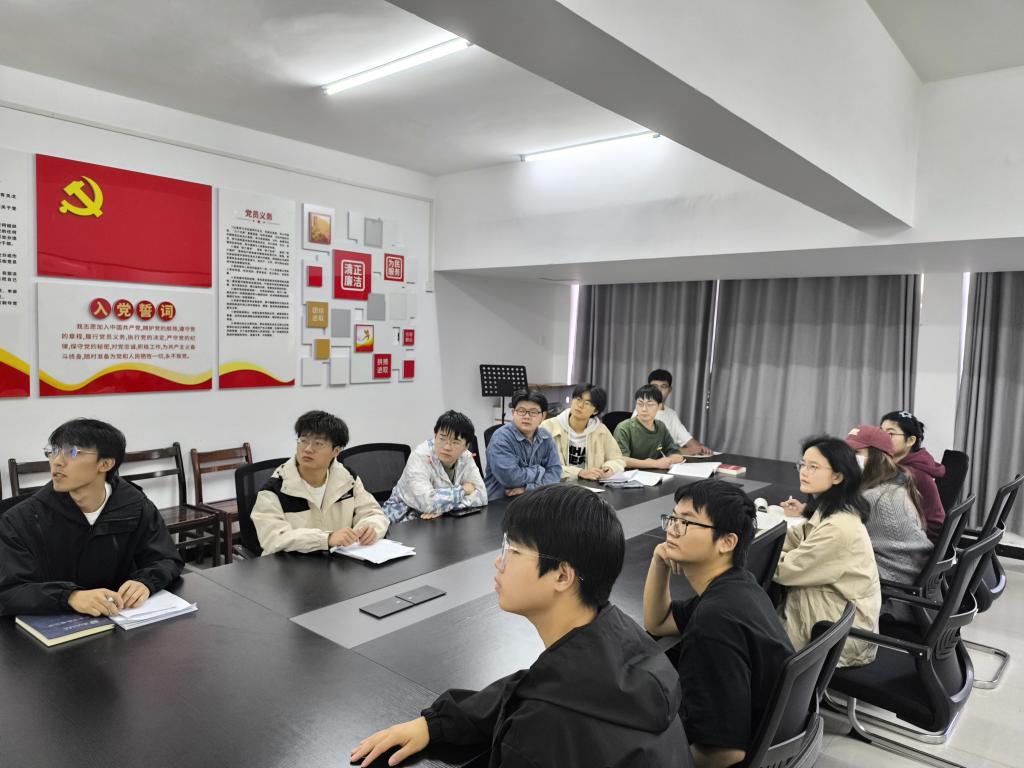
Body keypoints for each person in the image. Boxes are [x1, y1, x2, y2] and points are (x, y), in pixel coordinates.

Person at [351, 484, 691, 768]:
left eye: (512, 550)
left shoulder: (540, 733)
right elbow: (532, 684)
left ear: (562, 575)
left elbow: (540, 699)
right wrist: (437, 723)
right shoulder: (624, 640)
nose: (498, 561)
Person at [643, 480, 793, 768]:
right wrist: (659, 562)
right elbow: (658, 622)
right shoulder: (737, 584)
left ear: (727, 542)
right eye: (672, 518)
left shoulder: (714, 621)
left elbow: (724, 754)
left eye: (686, 522)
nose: (672, 529)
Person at [0, 418, 183, 617]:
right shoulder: (21, 520)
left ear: (105, 463)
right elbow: (9, 590)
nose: (57, 461)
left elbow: (166, 558)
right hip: (57, 622)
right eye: (53, 451)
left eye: (72, 452)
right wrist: (70, 597)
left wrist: (146, 582)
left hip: (121, 619)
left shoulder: (135, 506)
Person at [774, 436, 881, 668]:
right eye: (803, 464)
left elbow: (785, 570)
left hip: (839, 638)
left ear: (837, 477)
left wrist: (756, 551)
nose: (804, 472)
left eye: (813, 467)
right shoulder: (829, 509)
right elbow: (792, 538)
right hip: (831, 617)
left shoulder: (839, 527)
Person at [251, 410, 389, 555]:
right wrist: (326, 539)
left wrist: (370, 528)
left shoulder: (348, 480)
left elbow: (373, 513)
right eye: (303, 441)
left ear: (336, 451)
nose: (308, 449)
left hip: (339, 562)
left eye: (318, 443)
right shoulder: (274, 489)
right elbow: (274, 538)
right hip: (291, 565)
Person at [846, 425, 932, 594]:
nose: (848, 459)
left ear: (877, 457)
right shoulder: (896, 484)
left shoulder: (873, 498)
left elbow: (835, 536)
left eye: (856, 453)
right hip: (910, 577)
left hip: (892, 589)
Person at [382, 410, 487, 523]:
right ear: (435, 435)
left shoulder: (466, 457)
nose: (447, 447)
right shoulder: (419, 456)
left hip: (440, 520)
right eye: (442, 438)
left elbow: (482, 496)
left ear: (466, 446)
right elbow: (428, 503)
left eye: (455, 442)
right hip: (401, 522)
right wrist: (463, 490)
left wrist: (442, 508)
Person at [879, 410, 946, 542]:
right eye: (881, 432)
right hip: (909, 532)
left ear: (910, 440)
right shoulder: (898, 465)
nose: (881, 438)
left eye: (890, 434)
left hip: (920, 540)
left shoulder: (911, 473)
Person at [483, 388, 562, 499]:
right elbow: (511, 478)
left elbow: (555, 474)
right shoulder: (501, 438)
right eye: (521, 411)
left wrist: (527, 489)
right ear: (513, 413)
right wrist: (540, 470)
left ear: (543, 416)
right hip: (502, 500)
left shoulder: (546, 437)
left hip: (535, 498)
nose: (526, 416)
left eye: (533, 412)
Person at [541, 383, 625, 481]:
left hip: (591, 484)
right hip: (558, 484)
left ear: (595, 411)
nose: (580, 405)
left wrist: (609, 468)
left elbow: (617, 459)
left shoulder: (601, 431)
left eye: (587, 403)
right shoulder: (548, 427)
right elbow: (543, 465)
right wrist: (579, 473)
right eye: (578, 399)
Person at [637, 369, 714, 456]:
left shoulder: (672, 414)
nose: (658, 390)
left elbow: (687, 439)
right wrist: (683, 451)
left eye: (663, 386)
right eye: (654, 386)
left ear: (669, 390)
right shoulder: (641, 411)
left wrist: (700, 447)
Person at [614, 384, 685, 469]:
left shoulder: (660, 426)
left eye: (650, 404)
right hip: (630, 474)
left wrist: (668, 460)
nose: (644, 409)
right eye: (640, 404)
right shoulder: (624, 428)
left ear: (659, 406)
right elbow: (620, 459)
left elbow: (677, 455)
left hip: (655, 474)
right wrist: (655, 463)